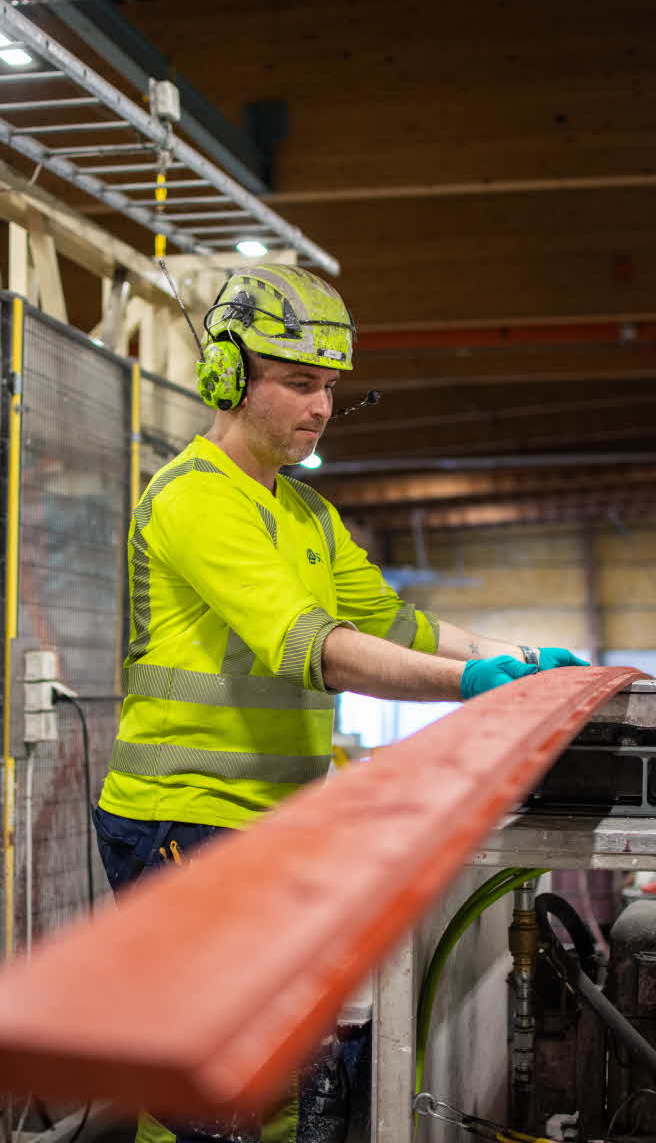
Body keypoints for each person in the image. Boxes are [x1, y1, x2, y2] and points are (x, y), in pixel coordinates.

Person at [93, 264, 587, 1143]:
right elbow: (313, 648)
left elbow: (393, 620)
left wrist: (515, 655)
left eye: (329, 388)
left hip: (269, 822)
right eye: (297, 383)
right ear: (228, 376)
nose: (319, 409)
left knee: (275, 1074)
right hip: (185, 823)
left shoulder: (309, 516)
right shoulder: (198, 500)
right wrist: (467, 687)